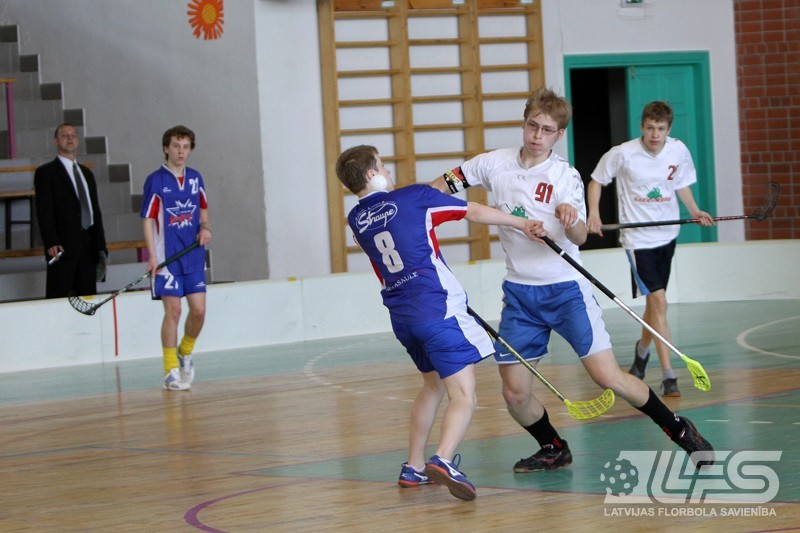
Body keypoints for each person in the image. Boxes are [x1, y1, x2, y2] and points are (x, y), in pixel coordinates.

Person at [429, 87, 715, 472]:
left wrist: (571, 219)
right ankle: (553, 447)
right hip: (520, 295)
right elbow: (441, 187)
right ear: (524, 122)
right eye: (532, 125)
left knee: (607, 377)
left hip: (566, 291)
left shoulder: (565, 176)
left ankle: (678, 427)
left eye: (547, 130)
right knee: (514, 394)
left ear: (559, 134)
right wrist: (411, 207)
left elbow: (579, 238)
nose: (536, 135)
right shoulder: (491, 163)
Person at [336, 144, 545, 501]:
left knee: (431, 386)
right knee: (463, 394)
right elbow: (472, 210)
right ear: (372, 174)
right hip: (438, 309)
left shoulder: (356, 220)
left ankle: (414, 466)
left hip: (403, 319)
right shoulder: (414, 198)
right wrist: (522, 223)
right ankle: (444, 460)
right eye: (383, 165)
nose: (388, 170)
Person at [587, 101, 715, 398]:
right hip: (638, 241)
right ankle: (669, 374)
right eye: (649, 128)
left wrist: (695, 210)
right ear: (641, 127)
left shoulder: (678, 150)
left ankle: (642, 353)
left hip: (667, 236)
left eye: (660, 129)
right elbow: (596, 181)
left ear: (668, 129)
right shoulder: (623, 153)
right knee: (660, 302)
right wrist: (594, 213)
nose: (654, 134)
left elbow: (681, 184)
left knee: (654, 306)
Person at [140, 125, 211, 391]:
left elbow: (203, 210)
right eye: (176, 146)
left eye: (185, 147)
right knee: (174, 311)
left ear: (190, 150)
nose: (181, 152)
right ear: (166, 148)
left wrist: (206, 228)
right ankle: (170, 370)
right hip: (166, 259)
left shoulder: (195, 178)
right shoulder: (155, 180)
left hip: (193, 256)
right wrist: (152, 256)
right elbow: (148, 220)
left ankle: (185, 352)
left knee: (199, 311)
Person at [34, 123, 107, 299]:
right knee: (60, 298)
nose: (70, 138)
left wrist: (101, 245)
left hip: (89, 246)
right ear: (55, 141)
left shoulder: (86, 173)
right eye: (64, 135)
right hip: (62, 247)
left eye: (73, 135)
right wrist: (51, 241)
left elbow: (95, 211)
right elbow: (44, 210)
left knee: (87, 299)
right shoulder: (46, 172)